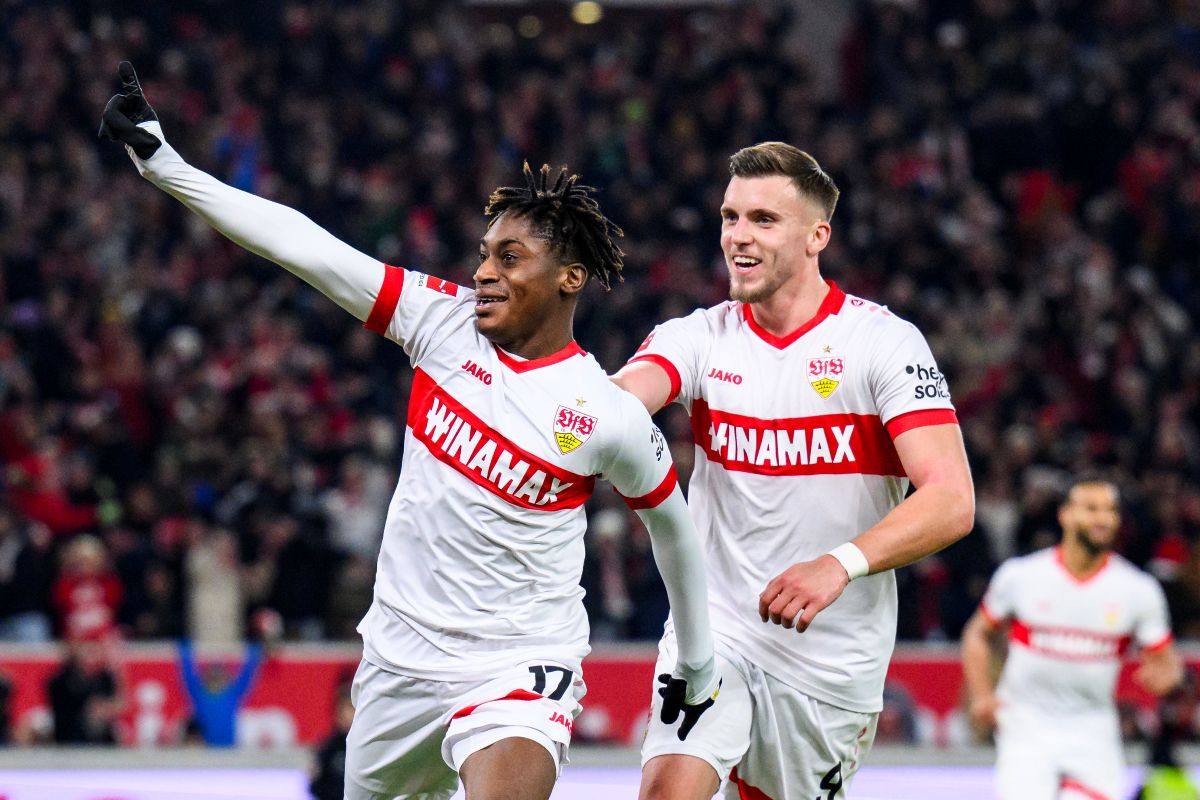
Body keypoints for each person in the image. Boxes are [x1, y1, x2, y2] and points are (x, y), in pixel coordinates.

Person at [99, 62, 719, 800]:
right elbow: (306, 248)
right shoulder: (440, 322)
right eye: (485, 253)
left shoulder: (607, 413)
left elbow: (674, 528)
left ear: (570, 277)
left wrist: (698, 662)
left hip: (517, 663)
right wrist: (168, 167)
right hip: (397, 659)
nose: (484, 271)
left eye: (509, 257)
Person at [612, 141, 975, 799]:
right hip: (715, 631)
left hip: (829, 664)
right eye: (730, 217)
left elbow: (951, 498)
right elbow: (626, 397)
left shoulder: (882, 344)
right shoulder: (697, 337)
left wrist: (839, 563)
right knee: (668, 789)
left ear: (817, 236)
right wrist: (582, 414)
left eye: (762, 220)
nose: (737, 237)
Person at [962, 478, 1184, 800]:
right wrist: (981, 695)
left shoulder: (1138, 589)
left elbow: (1166, 662)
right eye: (1091, 509)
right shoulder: (1022, 576)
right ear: (1065, 514)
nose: (1103, 519)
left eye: (1110, 510)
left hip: (1093, 728)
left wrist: (1168, 676)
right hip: (1026, 724)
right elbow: (977, 633)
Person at [177, 638, 264, 747]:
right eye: (212, 676)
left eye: (218, 676)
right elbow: (187, 672)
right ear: (204, 678)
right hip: (206, 751)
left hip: (229, 752)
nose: (215, 679)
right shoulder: (198, 694)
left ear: (226, 678)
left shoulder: (233, 694)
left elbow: (248, 673)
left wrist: (253, 650)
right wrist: (185, 647)